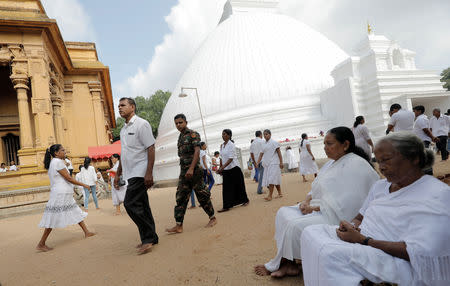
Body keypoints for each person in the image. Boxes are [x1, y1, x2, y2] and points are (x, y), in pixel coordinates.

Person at [301, 132, 449, 286]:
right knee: (310, 232)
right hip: (364, 241)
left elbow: (422, 252)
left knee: (331, 254)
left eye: (386, 160)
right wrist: (350, 227)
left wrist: (364, 241)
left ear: (414, 158)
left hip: (395, 258)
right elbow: (359, 218)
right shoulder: (380, 186)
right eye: (378, 161)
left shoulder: (437, 194)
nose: (381, 168)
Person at [254, 126, 379, 278]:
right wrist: (306, 202)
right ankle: (291, 261)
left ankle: (287, 264)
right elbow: (316, 188)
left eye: (329, 144)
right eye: (324, 144)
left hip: (334, 215)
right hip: (320, 206)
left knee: (295, 226)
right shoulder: (331, 163)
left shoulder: (356, 165)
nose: (325, 148)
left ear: (345, 145)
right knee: (283, 213)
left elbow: (349, 203)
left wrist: (315, 208)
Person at [114, 97, 158, 255]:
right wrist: (118, 173)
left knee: (130, 204)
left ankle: (148, 239)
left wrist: (149, 172)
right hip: (129, 172)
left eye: (123, 105)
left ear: (132, 107)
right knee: (143, 206)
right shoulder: (123, 129)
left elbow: (151, 148)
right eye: (118, 105)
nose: (119, 108)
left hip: (140, 172)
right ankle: (152, 237)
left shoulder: (142, 124)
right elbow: (124, 153)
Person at [37, 144, 95, 252]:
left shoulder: (54, 162)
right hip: (60, 194)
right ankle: (41, 243)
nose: (65, 152)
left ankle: (86, 232)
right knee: (53, 217)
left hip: (62, 193)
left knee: (75, 210)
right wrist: (84, 185)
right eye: (63, 150)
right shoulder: (57, 162)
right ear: (56, 153)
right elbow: (68, 178)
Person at [166, 114, 217, 234]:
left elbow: (197, 151)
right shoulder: (180, 137)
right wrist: (185, 170)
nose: (178, 125)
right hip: (184, 172)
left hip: (194, 171)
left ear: (186, 122)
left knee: (202, 194)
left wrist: (191, 169)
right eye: (176, 123)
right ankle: (179, 225)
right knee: (180, 196)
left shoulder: (193, 134)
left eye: (180, 122)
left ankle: (212, 217)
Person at [217, 129, 250, 212]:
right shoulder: (222, 146)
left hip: (234, 169)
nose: (223, 135)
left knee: (239, 186)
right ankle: (227, 206)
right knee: (226, 188)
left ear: (229, 135)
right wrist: (220, 168)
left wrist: (222, 167)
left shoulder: (231, 145)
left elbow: (231, 159)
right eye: (222, 134)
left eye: (224, 134)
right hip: (226, 169)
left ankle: (245, 200)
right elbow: (221, 157)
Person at [256, 129, 283, 201]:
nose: (265, 136)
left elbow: (279, 154)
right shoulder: (263, 144)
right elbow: (261, 154)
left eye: (266, 134)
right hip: (267, 164)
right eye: (264, 134)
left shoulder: (274, 143)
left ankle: (270, 196)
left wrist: (281, 162)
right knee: (275, 179)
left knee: (271, 179)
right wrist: (257, 162)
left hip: (274, 163)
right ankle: (280, 193)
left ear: (270, 134)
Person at [413, 105, 436, 175]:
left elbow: (425, 129)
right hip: (422, 140)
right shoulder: (421, 118)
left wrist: (432, 137)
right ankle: (427, 172)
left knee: (424, 156)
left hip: (422, 141)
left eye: (415, 111)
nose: (414, 113)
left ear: (419, 111)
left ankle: (428, 172)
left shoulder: (421, 119)